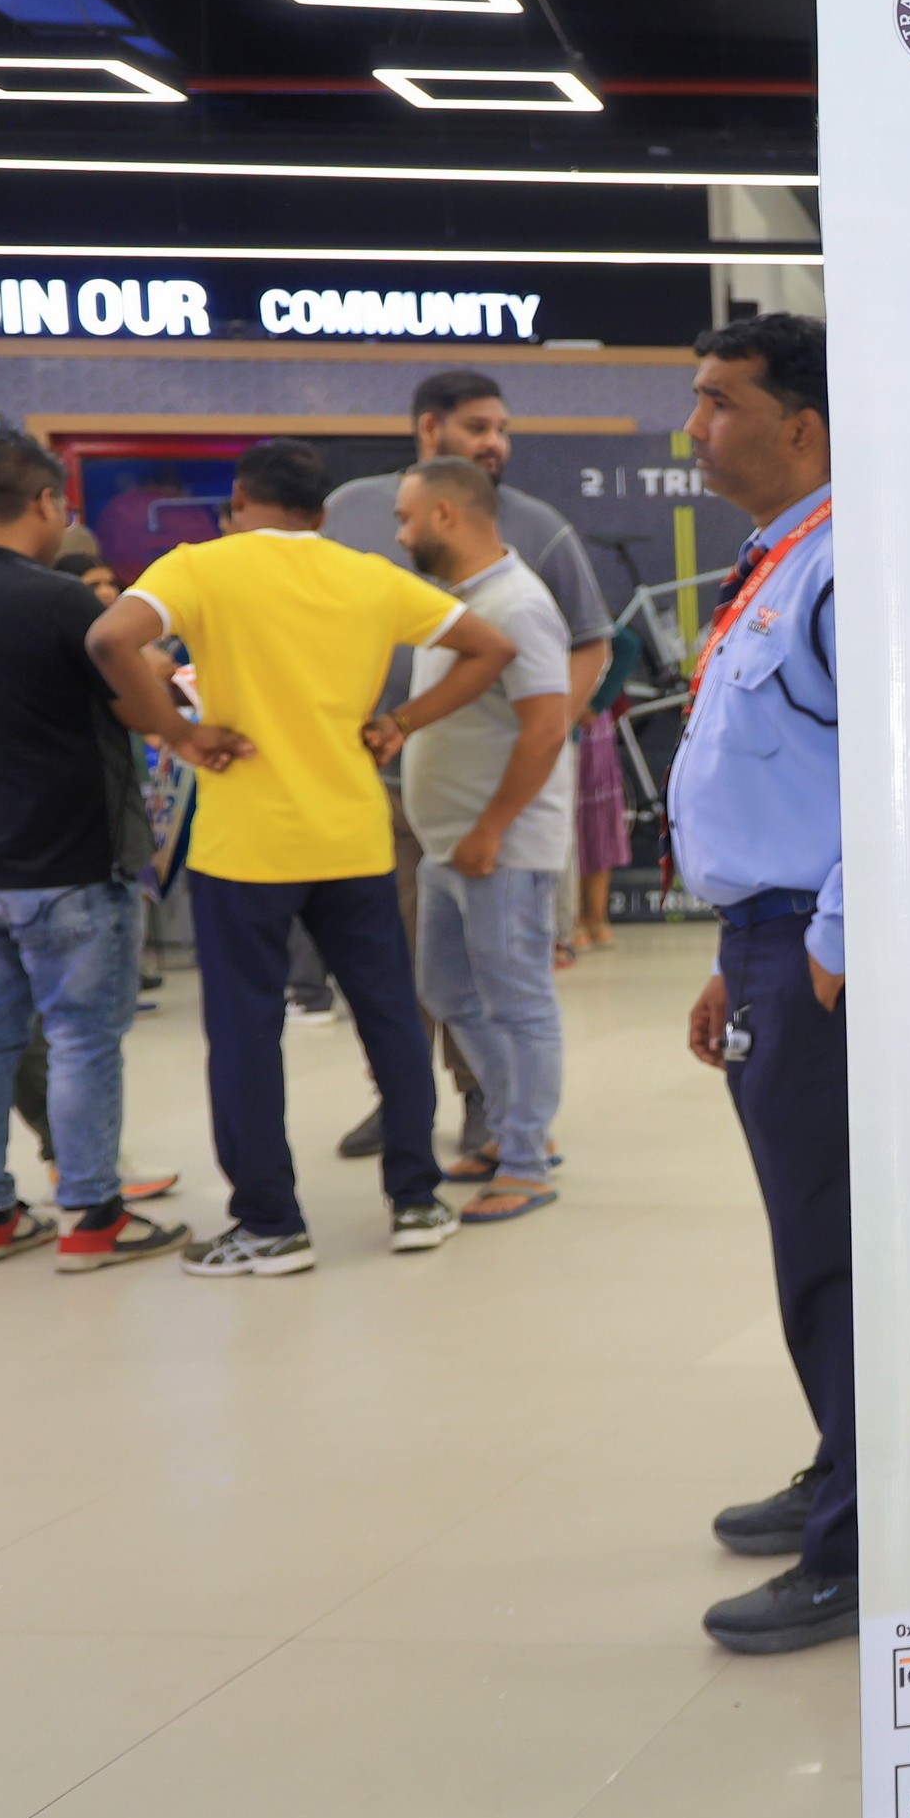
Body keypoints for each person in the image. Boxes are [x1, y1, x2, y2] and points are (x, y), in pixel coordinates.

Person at [85, 438, 518, 1277]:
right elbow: (491, 647)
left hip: (246, 845)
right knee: (390, 1018)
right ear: (320, 513)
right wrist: (402, 721)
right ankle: (417, 1200)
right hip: (352, 833)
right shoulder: (369, 576)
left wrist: (176, 733)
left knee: (245, 1034)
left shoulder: (201, 567)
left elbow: (109, 640)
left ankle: (270, 1224)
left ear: (238, 500)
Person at [668, 313, 856, 1654]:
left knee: (838, 1250)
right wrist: (732, 948)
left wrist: (833, 938)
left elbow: (906, 773)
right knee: (806, 1239)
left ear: (802, 425)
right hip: (767, 943)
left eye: (719, 402)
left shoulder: (848, 568)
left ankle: (862, 1538)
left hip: (823, 955)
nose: (695, 429)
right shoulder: (782, 562)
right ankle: (842, 1462)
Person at [323, 369, 614, 1161]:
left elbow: (563, 680)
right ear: (430, 428)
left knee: (512, 994)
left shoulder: (524, 572)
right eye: (480, 427)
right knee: (433, 980)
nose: (496, 443)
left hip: (492, 825)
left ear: (445, 516)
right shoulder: (441, 578)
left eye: (501, 429)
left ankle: (516, 1138)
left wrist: (519, 778)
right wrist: (401, 725)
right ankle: (426, 1101)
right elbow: (468, 669)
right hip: (420, 810)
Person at [0, 431, 183, 1272]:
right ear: (45, 503)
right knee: (83, 1039)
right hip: (70, 863)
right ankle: (90, 1216)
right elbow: (140, 712)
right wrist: (180, 711)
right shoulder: (63, 604)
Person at [394, 457, 576, 1223]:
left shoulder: (518, 606)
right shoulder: (462, 604)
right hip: (452, 843)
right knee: (447, 992)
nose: (399, 534)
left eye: (406, 518)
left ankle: (526, 1161)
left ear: (445, 515)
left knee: (518, 1002)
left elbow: (547, 727)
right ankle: (512, 1129)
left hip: (499, 847)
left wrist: (492, 827)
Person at [572, 621, 645, 950]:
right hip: (569, 718)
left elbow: (626, 644)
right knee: (577, 823)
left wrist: (597, 701)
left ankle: (592, 919)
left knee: (592, 821)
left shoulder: (580, 612)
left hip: (582, 724)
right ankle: (580, 921)